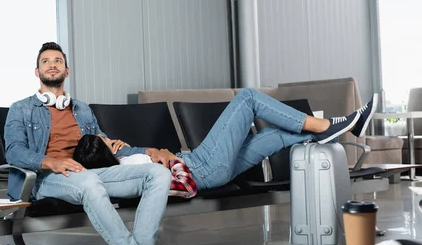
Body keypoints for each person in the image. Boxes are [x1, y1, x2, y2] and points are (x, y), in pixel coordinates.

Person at [4, 42, 201, 245]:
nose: (52, 65)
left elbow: (107, 147)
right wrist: (50, 161)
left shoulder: (82, 109)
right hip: (46, 179)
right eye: (45, 61)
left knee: (159, 174)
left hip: (87, 175)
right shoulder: (21, 109)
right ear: (36, 72)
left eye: (57, 61)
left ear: (67, 70)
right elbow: (14, 152)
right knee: (88, 182)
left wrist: (147, 150)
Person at [73, 90, 378, 191]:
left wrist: (156, 151)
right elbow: (164, 160)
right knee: (246, 98)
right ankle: (327, 126)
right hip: (204, 164)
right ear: (107, 157)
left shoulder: (123, 158)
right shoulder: (128, 165)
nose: (115, 142)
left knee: (272, 136)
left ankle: (342, 125)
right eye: (111, 145)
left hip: (211, 170)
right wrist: (159, 152)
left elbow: (158, 154)